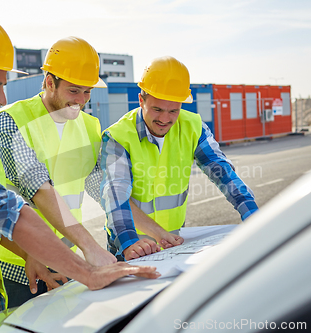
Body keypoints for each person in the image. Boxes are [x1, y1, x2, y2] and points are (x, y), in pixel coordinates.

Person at [0, 16, 158, 333]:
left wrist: (32, 252)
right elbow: (11, 209)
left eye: (3, 86)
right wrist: (86, 269)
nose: (2, 100)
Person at [0, 36, 116, 307]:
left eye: (87, 92)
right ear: (49, 82)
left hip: (64, 262)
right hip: (19, 263)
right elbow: (37, 189)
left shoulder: (90, 126)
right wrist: (89, 246)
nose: (80, 101)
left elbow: (103, 189)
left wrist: (132, 232)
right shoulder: (10, 120)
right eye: (74, 91)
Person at [100, 56, 259, 261]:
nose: (165, 119)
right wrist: (129, 243)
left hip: (173, 244)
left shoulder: (193, 128)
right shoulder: (119, 137)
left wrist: (251, 212)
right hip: (129, 247)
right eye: (157, 109)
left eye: (173, 111)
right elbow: (115, 193)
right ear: (141, 99)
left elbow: (222, 172)